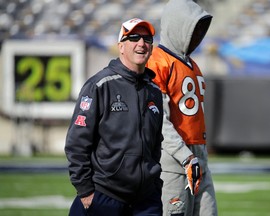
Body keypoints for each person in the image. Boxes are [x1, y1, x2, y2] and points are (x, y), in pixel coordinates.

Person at [65, 18, 164, 216]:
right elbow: (77, 142)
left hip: (146, 201)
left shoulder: (154, 91)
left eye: (147, 39)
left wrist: (155, 185)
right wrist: (85, 191)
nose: (141, 43)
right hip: (104, 196)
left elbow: (155, 145)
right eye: (134, 37)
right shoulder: (100, 85)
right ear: (121, 46)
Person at [146, 0, 218, 215]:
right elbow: (158, 118)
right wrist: (184, 155)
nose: (197, 36)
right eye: (193, 29)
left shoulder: (192, 64)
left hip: (198, 155)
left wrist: (199, 155)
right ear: (177, 25)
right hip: (174, 159)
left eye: (200, 30)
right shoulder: (157, 61)